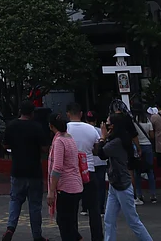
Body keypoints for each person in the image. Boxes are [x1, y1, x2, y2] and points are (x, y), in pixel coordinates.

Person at [94, 113, 154, 241]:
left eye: (108, 123)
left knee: (133, 220)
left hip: (122, 184)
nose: (105, 126)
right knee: (109, 219)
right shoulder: (119, 139)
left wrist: (102, 137)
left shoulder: (117, 142)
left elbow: (101, 153)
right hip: (115, 183)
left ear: (114, 126)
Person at [1, 100, 47, 241]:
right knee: (35, 205)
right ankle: (37, 235)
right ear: (32, 113)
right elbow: (45, 148)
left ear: (20, 111)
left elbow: (5, 144)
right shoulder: (37, 127)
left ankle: (10, 227)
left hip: (17, 169)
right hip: (34, 170)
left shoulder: (12, 126)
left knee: (15, 199)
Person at [66, 103, 102, 241]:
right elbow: (96, 150)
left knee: (72, 209)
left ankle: (74, 236)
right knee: (94, 208)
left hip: (72, 173)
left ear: (68, 113)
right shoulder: (91, 129)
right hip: (89, 170)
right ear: (81, 114)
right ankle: (97, 237)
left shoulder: (66, 129)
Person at [47, 113, 83, 241]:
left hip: (66, 187)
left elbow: (57, 168)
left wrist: (51, 191)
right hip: (76, 185)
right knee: (70, 223)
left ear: (51, 126)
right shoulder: (70, 138)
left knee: (64, 223)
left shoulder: (59, 141)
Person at [131, 112, 156, 205]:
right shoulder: (148, 121)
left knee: (137, 171)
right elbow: (152, 135)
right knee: (150, 170)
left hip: (138, 146)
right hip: (148, 145)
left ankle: (139, 195)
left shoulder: (134, 122)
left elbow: (133, 135)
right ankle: (153, 195)